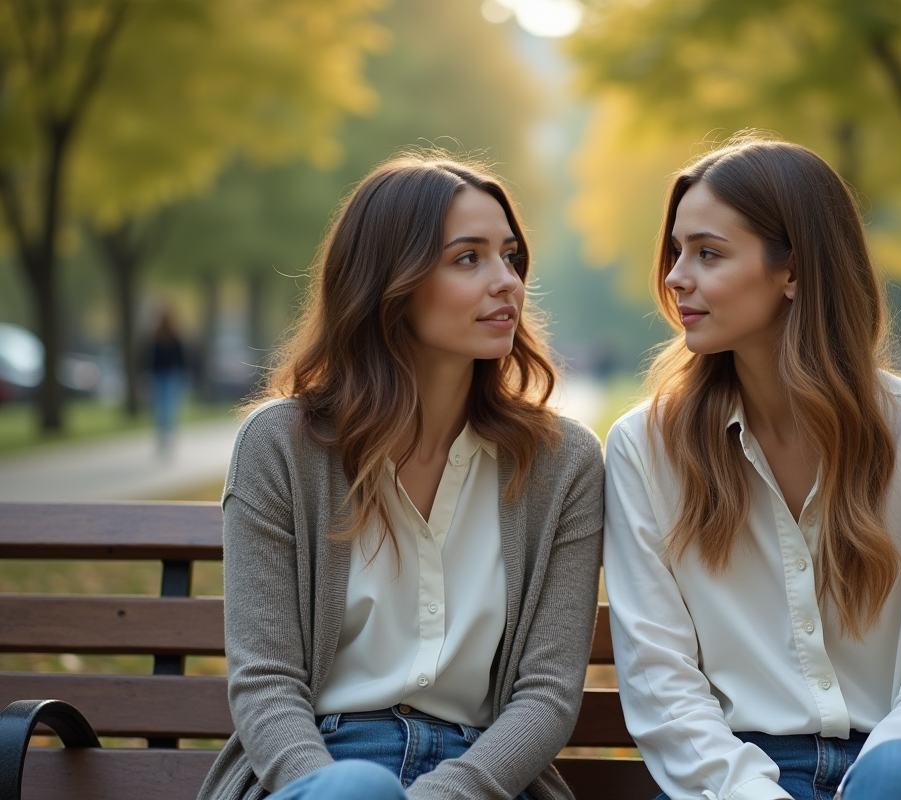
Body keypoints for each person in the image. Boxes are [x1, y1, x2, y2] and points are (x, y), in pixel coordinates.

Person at [196, 153, 604, 800]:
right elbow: (266, 684)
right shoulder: (280, 447)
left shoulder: (562, 464)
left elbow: (546, 697)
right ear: (391, 282)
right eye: (469, 258)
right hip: (320, 772)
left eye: (510, 256)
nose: (507, 282)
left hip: (482, 782)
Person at [603, 135, 901, 800]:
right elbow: (662, 686)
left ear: (793, 271)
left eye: (707, 253)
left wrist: (873, 780)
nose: (674, 277)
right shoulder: (646, 447)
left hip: (895, 773)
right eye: (675, 252)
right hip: (731, 784)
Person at [148, 309, 188, 455]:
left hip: (164, 375)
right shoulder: (168, 336)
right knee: (167, 406)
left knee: (162, 406)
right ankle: (166, 435)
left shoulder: (160, 336)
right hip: (167, 374)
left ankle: (164, 436)